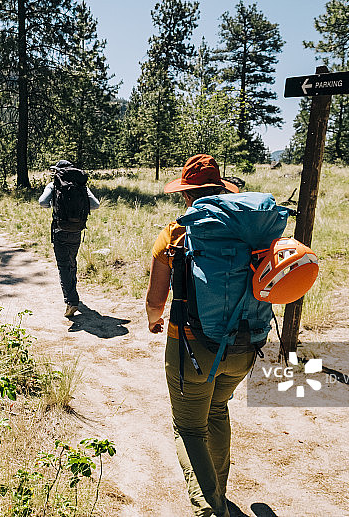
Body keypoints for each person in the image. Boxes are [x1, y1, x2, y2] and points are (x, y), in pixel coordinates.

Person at [146, 153, 255, 517]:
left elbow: (154, 299)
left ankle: (209, 509)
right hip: (243, 345)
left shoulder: (176, 233)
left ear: (187, 195)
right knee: (218, 410)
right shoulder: (247, 230)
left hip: (191, 347)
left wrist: (153, 320)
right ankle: (218, 492)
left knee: (188, 428)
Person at [38, 160, 100, 317]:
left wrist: (56, 205)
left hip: (60, 230)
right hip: (77, 230)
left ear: (58, 172)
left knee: (63, 266)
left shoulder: (53, 185)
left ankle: (71, 301)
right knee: (72, 262)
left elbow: (42, 202)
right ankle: (73, 293)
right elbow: (96, 205)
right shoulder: (81, 186)